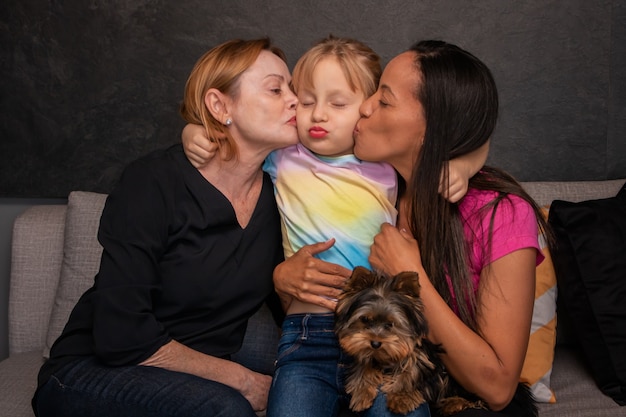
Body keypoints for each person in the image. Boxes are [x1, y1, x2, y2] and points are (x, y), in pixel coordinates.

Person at [182, 36, 488, 417]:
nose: (318, 114)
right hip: (309, 333)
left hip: (384, 331)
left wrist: (464, 164)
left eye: (338, 103)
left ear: (368, 109)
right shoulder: (284, 155)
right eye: (306, 101)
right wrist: (194, 132)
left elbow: (464, 135)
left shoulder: (383, 162)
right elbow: (231, 137)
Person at [277, 40, 551, 417]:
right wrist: (281, 276)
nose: (366, 107)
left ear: (430, 128)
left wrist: (412, 274)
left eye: (383, 100)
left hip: (456, 395)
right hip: (360, 362)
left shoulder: (500, 214)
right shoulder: (375, 187)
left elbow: (498, 388)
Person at [32, 38, 299, 417]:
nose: (294, 100)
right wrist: (241, 380)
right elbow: (122, 337)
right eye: (276, 89)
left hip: (195, 364)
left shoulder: (281, 196)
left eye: (293, 89)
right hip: (91, 371)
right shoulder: (153, 182)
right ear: (220, 105)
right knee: (226, 410)